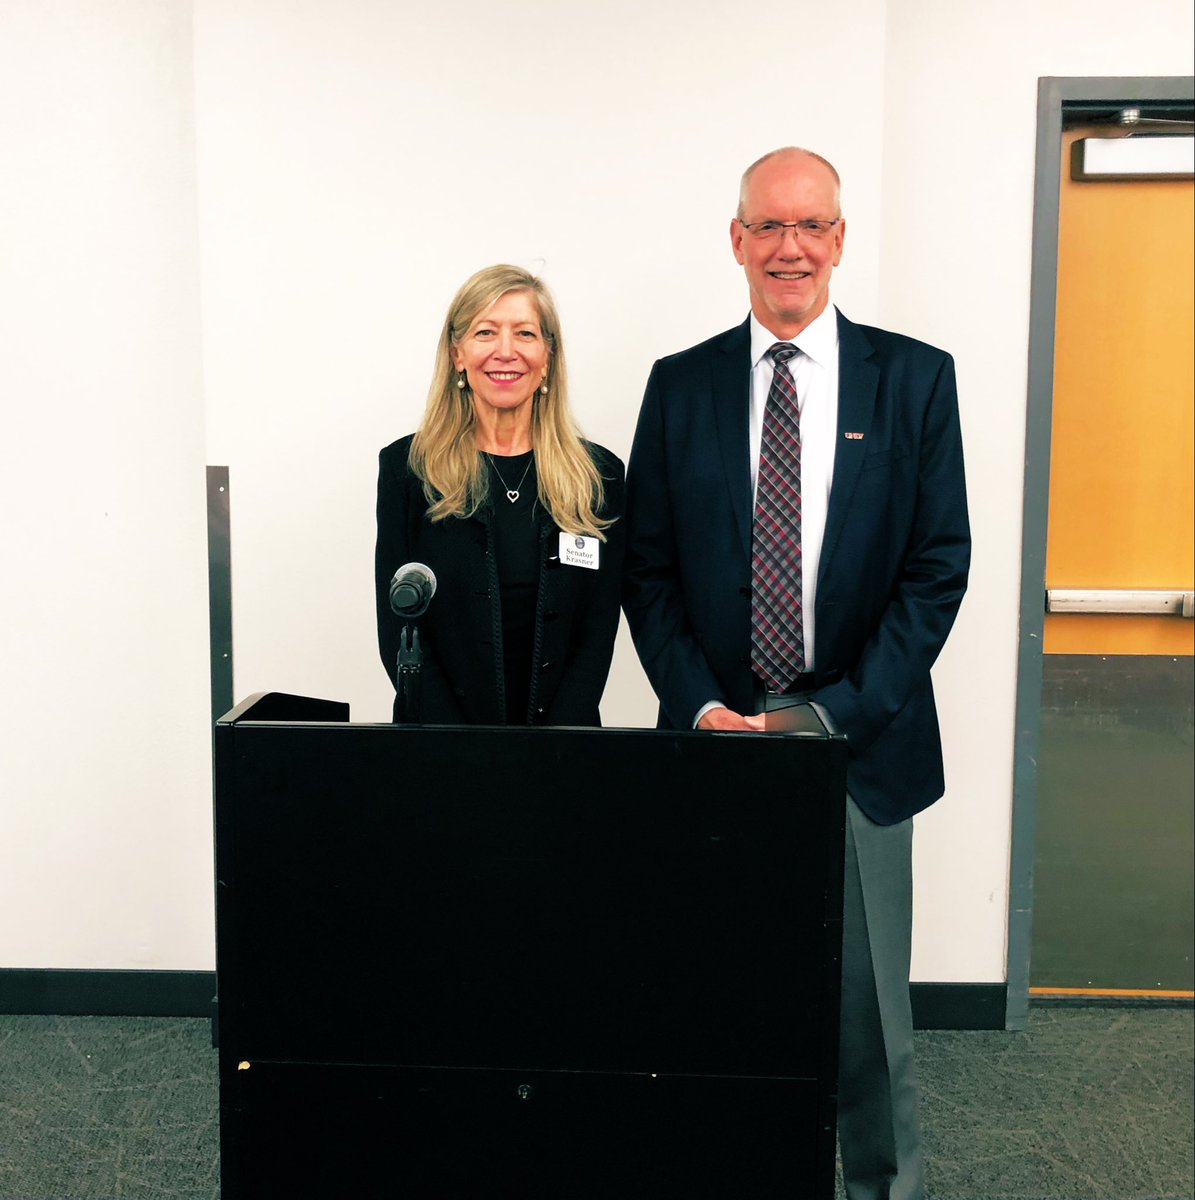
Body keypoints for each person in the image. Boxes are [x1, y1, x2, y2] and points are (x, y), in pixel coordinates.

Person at [622, 148, 970, 1199]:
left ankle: (881, 1191)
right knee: (718, 1006)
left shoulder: (912, 379)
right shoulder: (678, 387)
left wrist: (836, 716)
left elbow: (936, 567)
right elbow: (648, 568)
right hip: (719, 745)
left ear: (839, 240)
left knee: (869, 1028)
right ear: (735, 242)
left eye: (810, 226)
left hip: (858, 746)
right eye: (768, 227)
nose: (789, 247)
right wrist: (695, 705)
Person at [375, 264, 624, 726]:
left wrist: (555, 746)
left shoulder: (599, 477)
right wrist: (466, 753)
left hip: (562, 753)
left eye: (525, 334)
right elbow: (399, 633)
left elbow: (595, 634)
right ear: (457, 354)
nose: (505, 352)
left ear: (548, 356)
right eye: (485, 332)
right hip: (440, 750)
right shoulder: (407, 471)